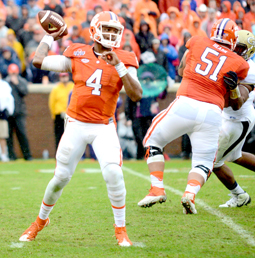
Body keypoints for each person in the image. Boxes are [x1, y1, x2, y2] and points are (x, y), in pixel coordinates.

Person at [19, 11, 142, 246]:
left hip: (103, 127)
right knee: (60, 178)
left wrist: (119, 67)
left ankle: (121, 229)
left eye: (115, 31)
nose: (111, 34)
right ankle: (40, 221)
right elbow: (39, 61)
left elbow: (136, 94)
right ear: (95, 30)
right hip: (75, 124)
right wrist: (48, 37)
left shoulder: (125, 58)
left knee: (113, 173)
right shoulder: (78, 53)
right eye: (107, 29)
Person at [137, 18, 249, 214]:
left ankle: (157, 188)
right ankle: (190, 194)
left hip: (187, 103)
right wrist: (231, 89)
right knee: (204, 162)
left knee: (152, 141)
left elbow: (181, 70)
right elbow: (236, 99)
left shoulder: (197, 41)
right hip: (213, 112)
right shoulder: (240, 63)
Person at [213, 30, 255, 208]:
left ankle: (239, 195)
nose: (234, 50)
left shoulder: (249, 70)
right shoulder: (227, 61)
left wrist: (233, 88)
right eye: (233, 45)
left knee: (212, 159)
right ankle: (240, 196)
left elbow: (237, 103)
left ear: (249, 50)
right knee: (235, 156)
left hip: (239, 118)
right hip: (227, 116)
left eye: (239, 47)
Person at [5, 63, 33, 161]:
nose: (13, 75)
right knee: (8, 136)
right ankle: (11, 156)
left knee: (22, 134)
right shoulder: (5, 82)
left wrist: (16, 83)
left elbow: (25, 92)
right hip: (8, 113)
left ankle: (27, 155)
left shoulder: (21, 81)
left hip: (20, 112)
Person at [48, 72, 74, 151]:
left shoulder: (72, 86)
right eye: (62, 76)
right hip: (60, 115)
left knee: (71, 136)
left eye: (65, 76)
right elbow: (51, 103)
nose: (64, 78)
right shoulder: (56, 88)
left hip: (71, 115)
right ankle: (58, 153)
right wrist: (53, 115)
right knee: (59, 136)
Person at [0, 71, 14, 162]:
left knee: (2, 136)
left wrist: (9, 110)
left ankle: (4, 154)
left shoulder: (4, 85)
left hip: (2, 114)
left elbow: (9, 98)